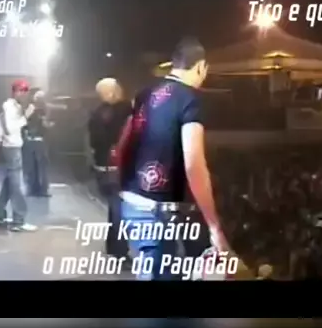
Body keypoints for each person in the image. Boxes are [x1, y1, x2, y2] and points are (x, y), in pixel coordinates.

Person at [116, 37, 229, 280]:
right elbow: (194, 164)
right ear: (201, 67)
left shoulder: (144, 93)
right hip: (158, 213)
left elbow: (123, 144)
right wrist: (214, 226)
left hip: (131, 202)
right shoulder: (190, 99)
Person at [87, 78, 132, 261]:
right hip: (118, 165)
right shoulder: (125, 110)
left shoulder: (96, 113)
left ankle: (113, 246)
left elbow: (94, 142)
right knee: (120, 209)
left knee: (114, 207)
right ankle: (119, 250)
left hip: (102, 166)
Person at [0, 79, 38, 232]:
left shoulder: (13, 107)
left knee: (10, 181)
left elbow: (2, 123)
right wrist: (26, 117)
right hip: (12, 148)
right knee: (17, 184)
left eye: (26, 92)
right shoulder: (9, 107)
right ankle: (18, 220)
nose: (24, 95)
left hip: (12, 147)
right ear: (15, 92)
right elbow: (10, 128)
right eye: (22, 91)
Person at [22, 88, 54, 197]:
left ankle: (38, 189)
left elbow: (45, 124)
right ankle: (35, 188)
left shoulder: (44, 109)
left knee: (40, 166)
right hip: (34, 140)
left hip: (38, 140)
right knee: (36, 166)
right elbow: (25, 121)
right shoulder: (32, 109)